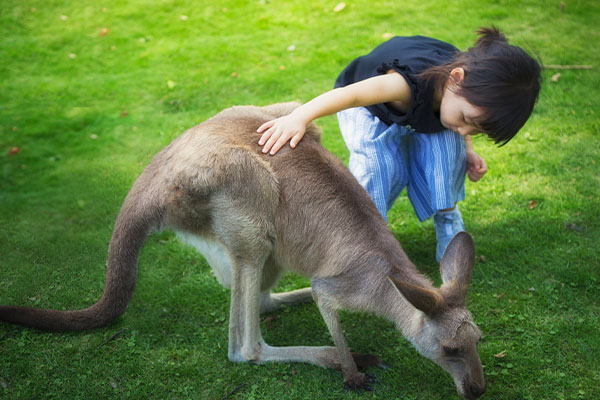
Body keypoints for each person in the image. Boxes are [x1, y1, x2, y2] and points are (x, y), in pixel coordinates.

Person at [257, 27, 541, 262]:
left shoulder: (463, 95)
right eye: (466, 119)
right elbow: (351, 95)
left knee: (447, 152)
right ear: (456, 79)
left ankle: (448, 221)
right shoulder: (401, 85)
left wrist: (467, 149)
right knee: (381, 167)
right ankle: (366, 239)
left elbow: (465, 123)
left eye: (475, 130)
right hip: (369, 109)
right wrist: (300, 116)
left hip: (427, 107)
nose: (465, 129)